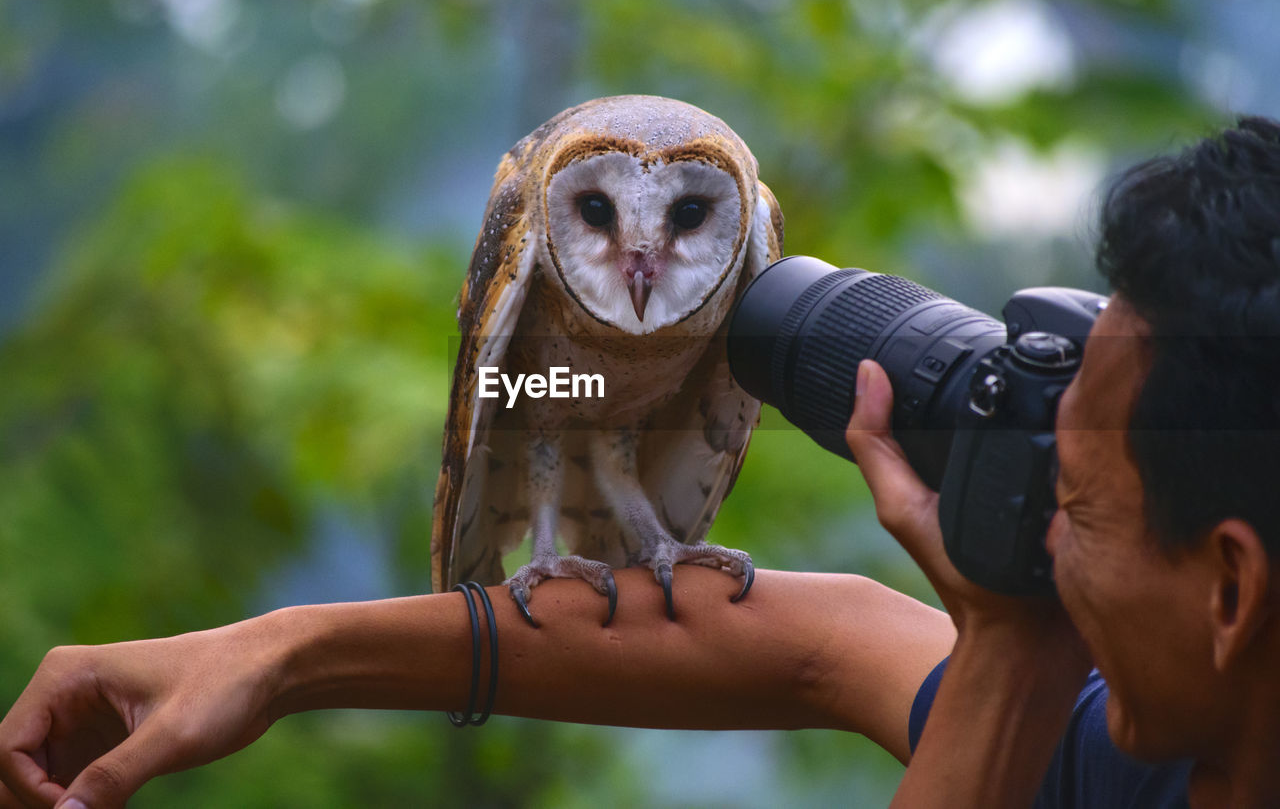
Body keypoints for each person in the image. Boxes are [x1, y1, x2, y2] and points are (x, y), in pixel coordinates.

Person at [3, 117, 1279, 809]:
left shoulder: (1096, 745)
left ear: (1227, 588)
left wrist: (1007, 650)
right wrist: (285, 652)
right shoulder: (1155, 740)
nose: (1041, 535)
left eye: (1071, 505)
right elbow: (818, 640)